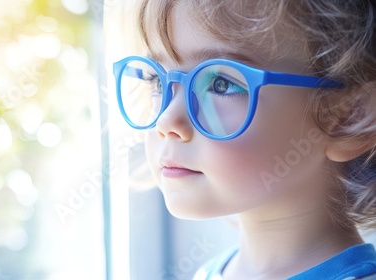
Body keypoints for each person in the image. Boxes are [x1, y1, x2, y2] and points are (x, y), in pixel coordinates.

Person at [112, 0, 376, 279]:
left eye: (220, 84)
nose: (166, 121)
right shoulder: (209, 273)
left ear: (350, 117)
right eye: (156, 79)